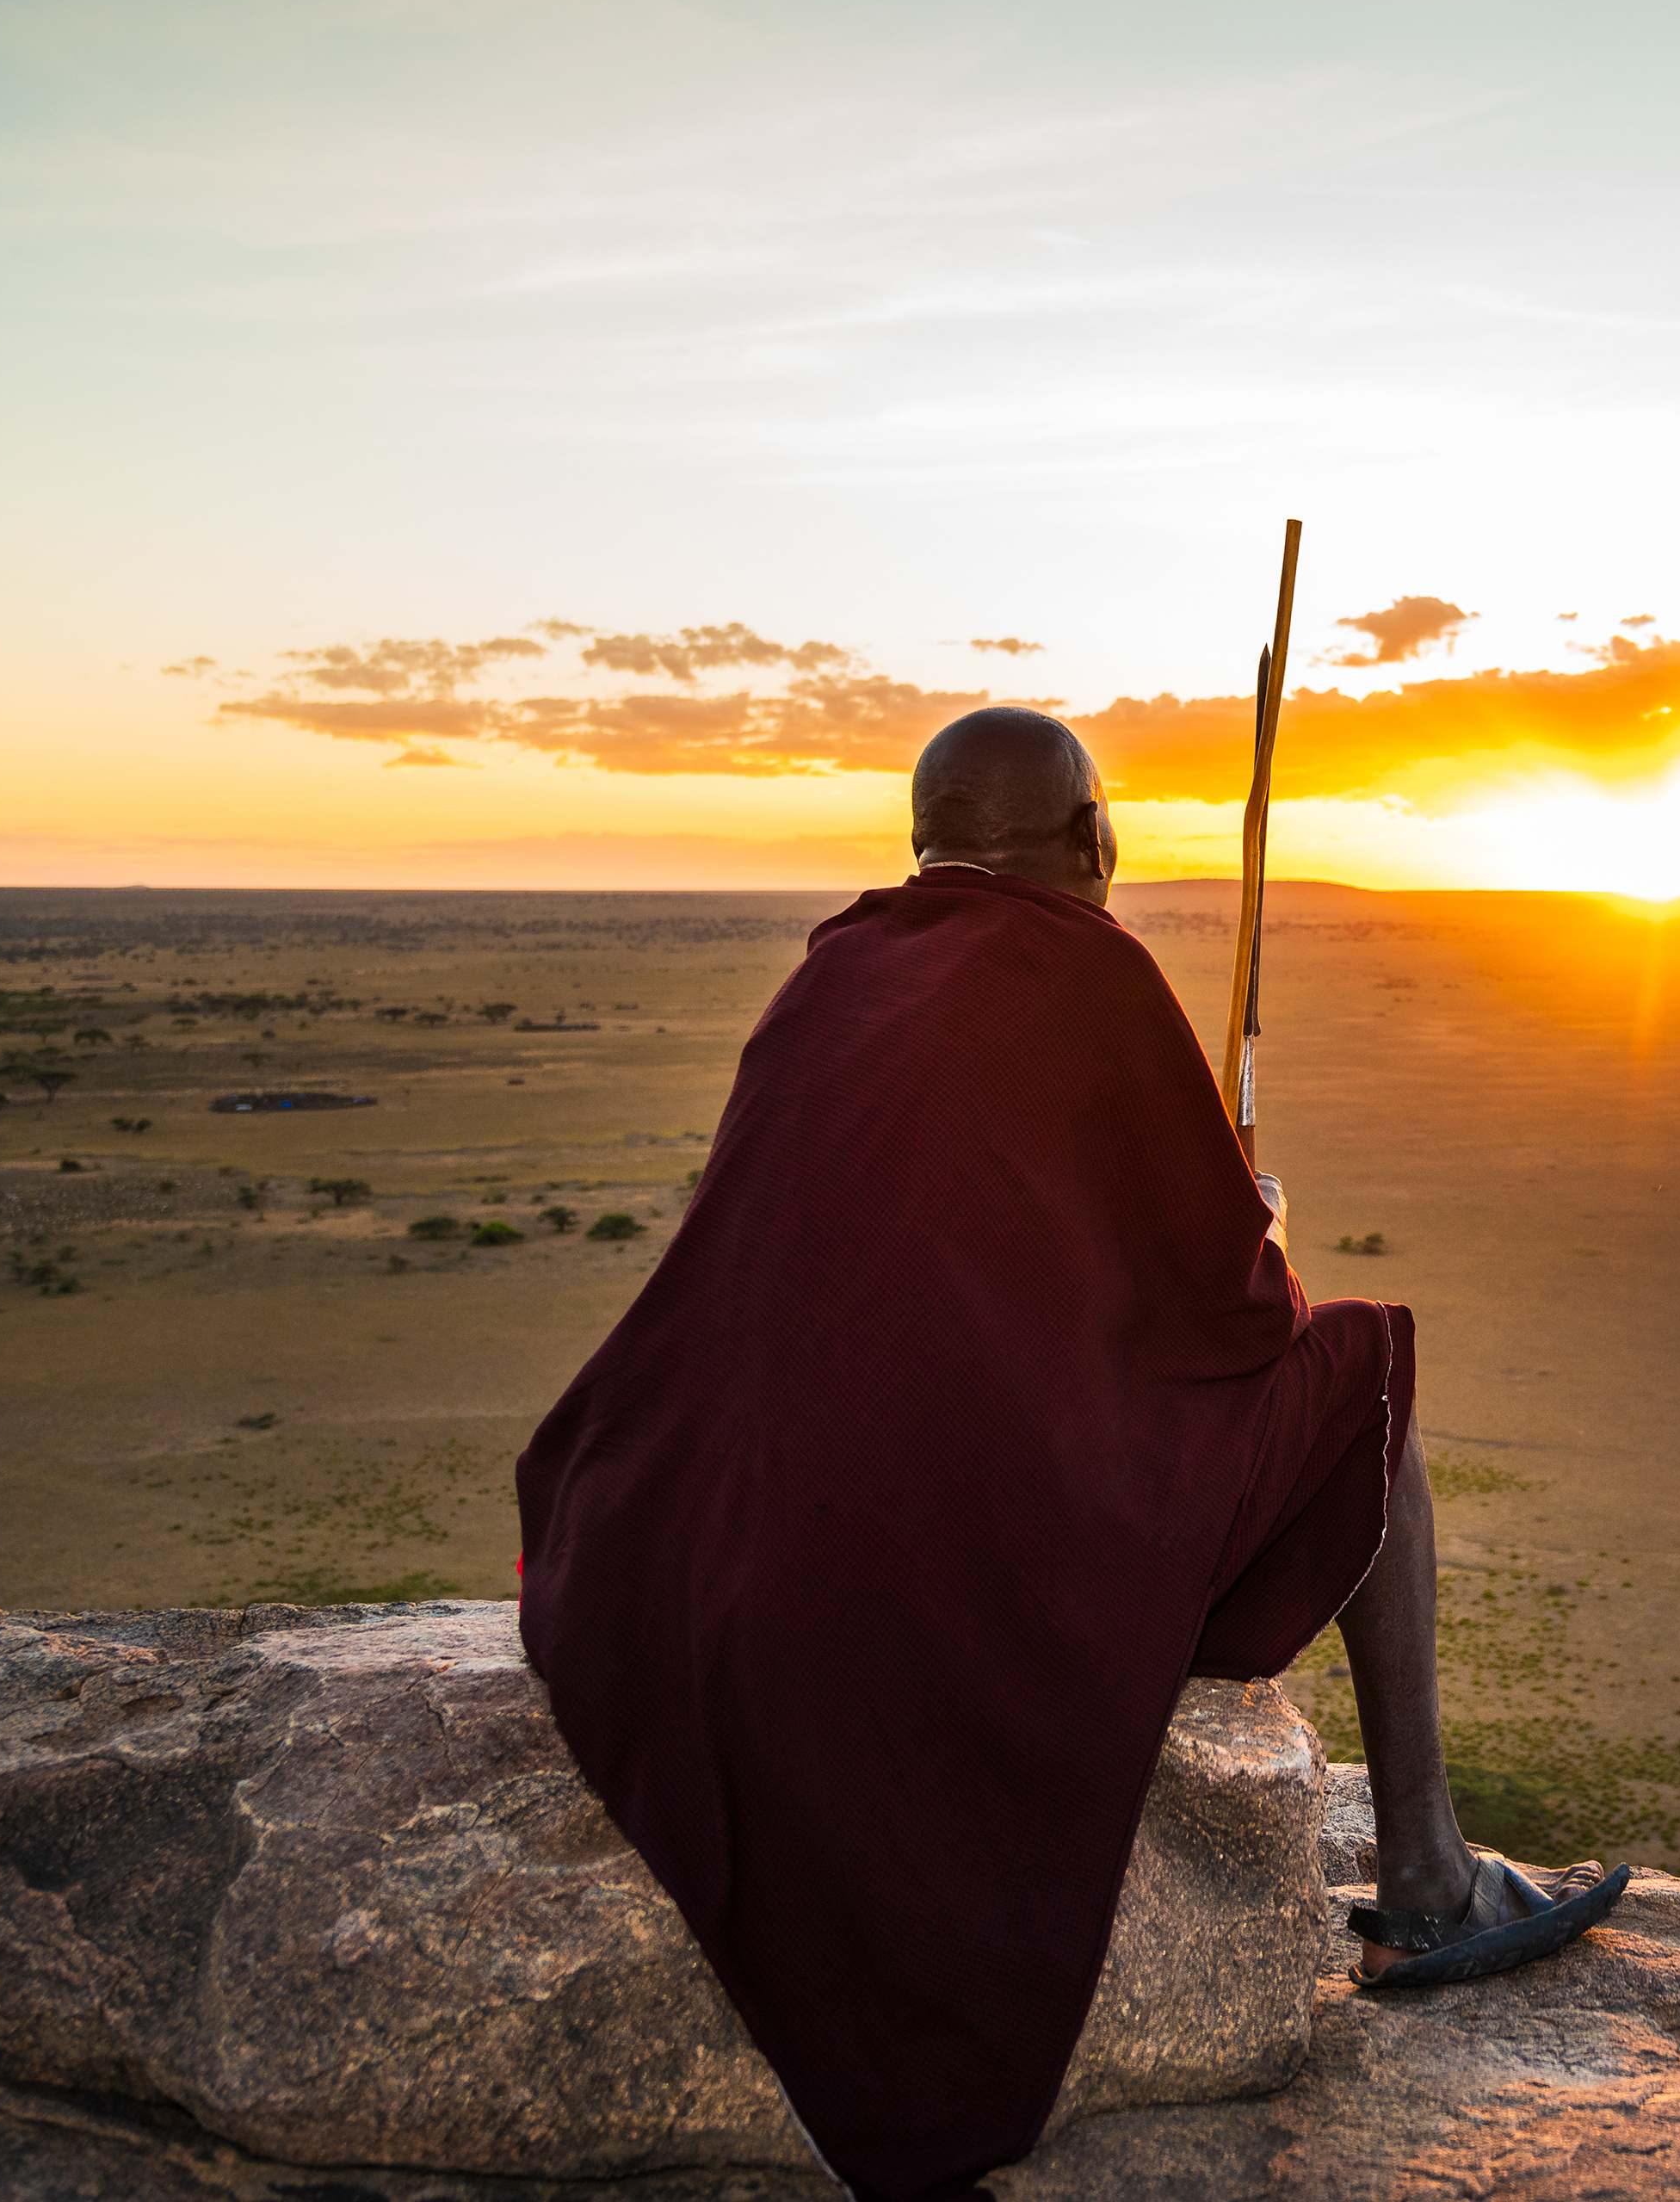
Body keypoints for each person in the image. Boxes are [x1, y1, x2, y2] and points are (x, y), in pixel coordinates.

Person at [516, 706, 1621, 2202]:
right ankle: (1428, 1880)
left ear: (924, 840)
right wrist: (1264, 1225)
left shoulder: (833, 971)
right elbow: (1234, 1319)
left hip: (689, 1529)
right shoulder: (1089, 968)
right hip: (967, 1531)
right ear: (1095, 837)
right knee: (1370, 1372)